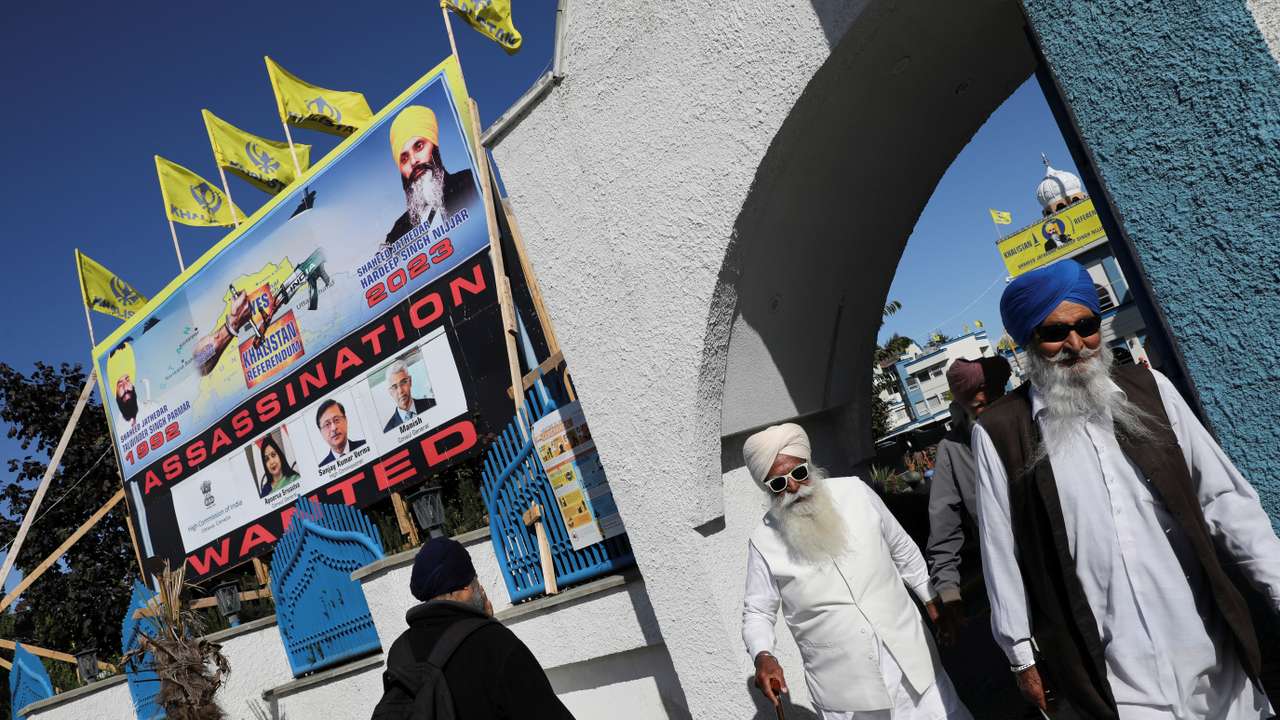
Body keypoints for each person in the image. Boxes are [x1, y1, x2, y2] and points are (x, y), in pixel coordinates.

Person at [973, 259, 1280, 718]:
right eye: (1055, 333)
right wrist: (1021, 655)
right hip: (1115, 678)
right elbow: (1001, 551)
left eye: (1086, 325)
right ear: (1029, 342)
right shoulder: (1001, 430)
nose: (1076, 345)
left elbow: (1225, 499)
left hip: (1212, 653)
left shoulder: (1151, 388)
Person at [740, 423, 971, 720]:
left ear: (809, 465)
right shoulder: (764, 540)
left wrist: (931, 597)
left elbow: (902, 549)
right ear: (768, 489)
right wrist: (763, 654)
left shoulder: (856, 492)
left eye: (798, 473)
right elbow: (757, 611)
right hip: (847, 695)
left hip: (914, 664)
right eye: (778, 484)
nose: (793, 487)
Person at [372, 537, 575, 720]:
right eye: (475, 579)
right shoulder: (495, 644)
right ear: (465, 587)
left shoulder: (400, 651)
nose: (480, 587)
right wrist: (489, 627)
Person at [925, 356, 1011, 646]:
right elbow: (944, 530)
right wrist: (949, 594)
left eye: (994, 401)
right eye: (979, 408)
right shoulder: (952, 450)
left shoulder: (1031, 421)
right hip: (1008, 580)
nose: (990, 414)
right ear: (961, 408)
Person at [384, 105, 479, 247]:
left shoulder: (471, 183)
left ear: (434, 146)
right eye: (404, 158)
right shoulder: (399, 230)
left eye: (419, 146)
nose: (413, 161)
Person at [383, 359, 436, 433]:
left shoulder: (433, 404)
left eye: (403, 382)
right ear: (390, 392)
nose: (400, 391)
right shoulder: (388, 431)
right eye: (395, 387)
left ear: (410, 382)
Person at [315, 399, 366, 467]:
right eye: (327, 424)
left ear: (345, 420)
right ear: (321, 432)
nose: (334, 428)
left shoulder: (365, 445)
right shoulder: (322, 467)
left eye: (336, 420)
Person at [106, 339, 143, 430]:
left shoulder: (152, 408)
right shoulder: (118, 430)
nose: (125, 387)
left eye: (127, 380)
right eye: (120, 383)